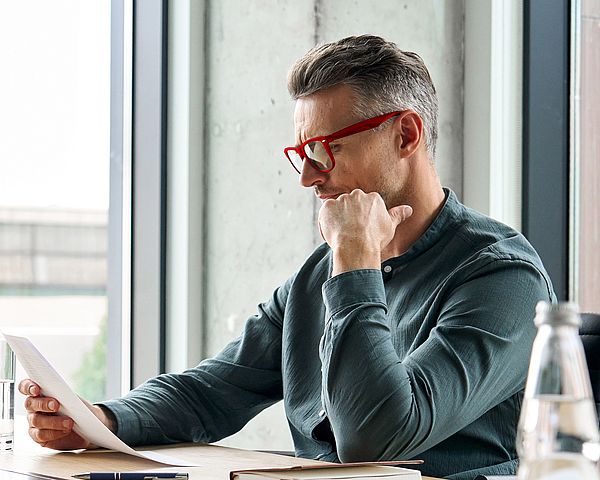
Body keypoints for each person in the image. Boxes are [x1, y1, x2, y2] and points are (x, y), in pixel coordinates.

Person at [20, 35, 555, 480]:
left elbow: (377, 437)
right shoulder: (318, 276)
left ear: (406, 134)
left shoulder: (500, 277)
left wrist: (355, 266)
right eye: (301, 153)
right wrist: (102, 417)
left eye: (326, 149)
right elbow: (213, 391)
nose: (307, 176)